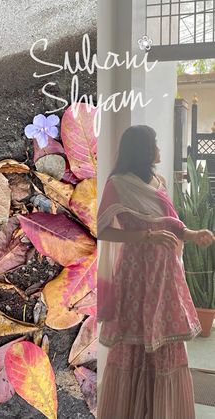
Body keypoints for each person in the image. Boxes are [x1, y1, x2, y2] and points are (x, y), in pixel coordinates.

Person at [97, 125, 215, 419]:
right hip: (136, 273)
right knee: (134, 340)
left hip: (164, 274)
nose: (158, 148)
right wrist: (146, 237)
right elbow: (101, 230)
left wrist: (194, 233)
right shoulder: (118, 184)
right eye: (154, 143)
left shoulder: (157, 181)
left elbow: (172, 225)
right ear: (142, 149)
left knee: (165, 339)